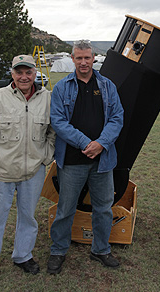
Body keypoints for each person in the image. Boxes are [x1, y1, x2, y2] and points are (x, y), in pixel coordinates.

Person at [0, 55, 55, 287]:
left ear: (34, 73)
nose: (23, 77)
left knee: (28, 218)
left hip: (33, 171)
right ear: (12, 74)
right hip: (2, 172)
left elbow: (53, 131)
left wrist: (46, 156)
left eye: (28, 72)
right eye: (18, 72)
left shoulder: (47, 98)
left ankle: (23, 256)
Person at [47, 40, 124, 274]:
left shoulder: (108, 86)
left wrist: (100, 143)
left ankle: (101, 249)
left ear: (94, 58)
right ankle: (58, 250)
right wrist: (85, 143)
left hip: (102, 159)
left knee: (103, 208)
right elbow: (58, 121)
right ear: (72, 59)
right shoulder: (62, 88)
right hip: (72, 161)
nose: (83, 62)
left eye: (87, 58)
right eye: (78, 58)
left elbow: (117, 117)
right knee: (66, 208)